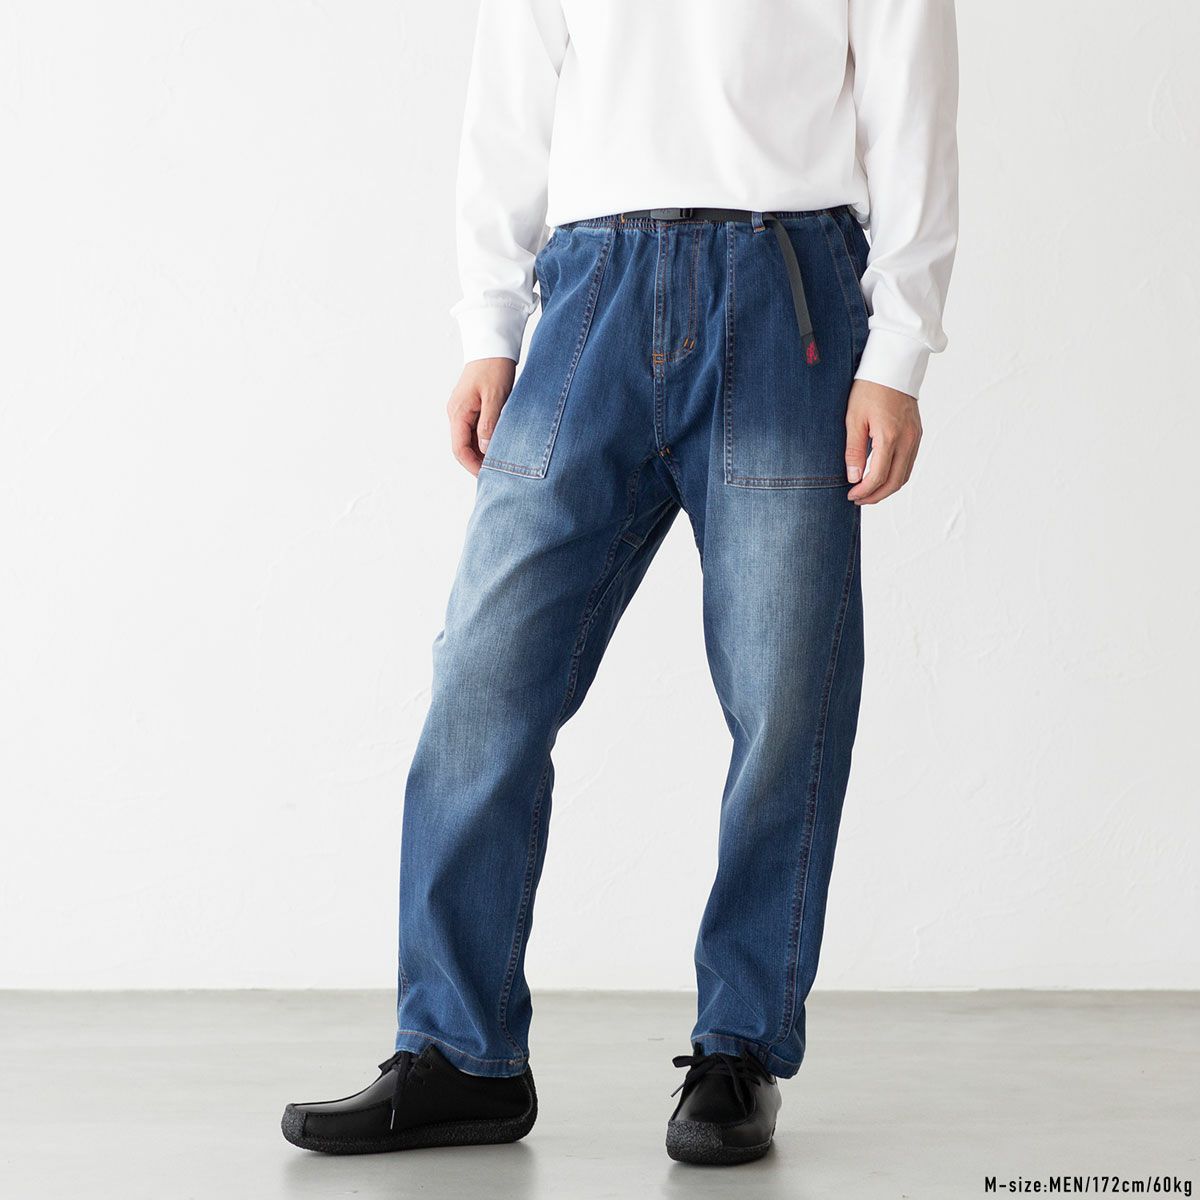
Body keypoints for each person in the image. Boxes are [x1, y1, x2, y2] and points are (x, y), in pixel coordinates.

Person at [282, 0, 958, 1167]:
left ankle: (739, 1048)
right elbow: (509, 104)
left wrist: (899, 351)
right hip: (588, 294)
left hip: (784, 286)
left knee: (785, 695)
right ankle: (458, 1055)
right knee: (484, 676)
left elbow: (914, 115)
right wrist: (489, 327)